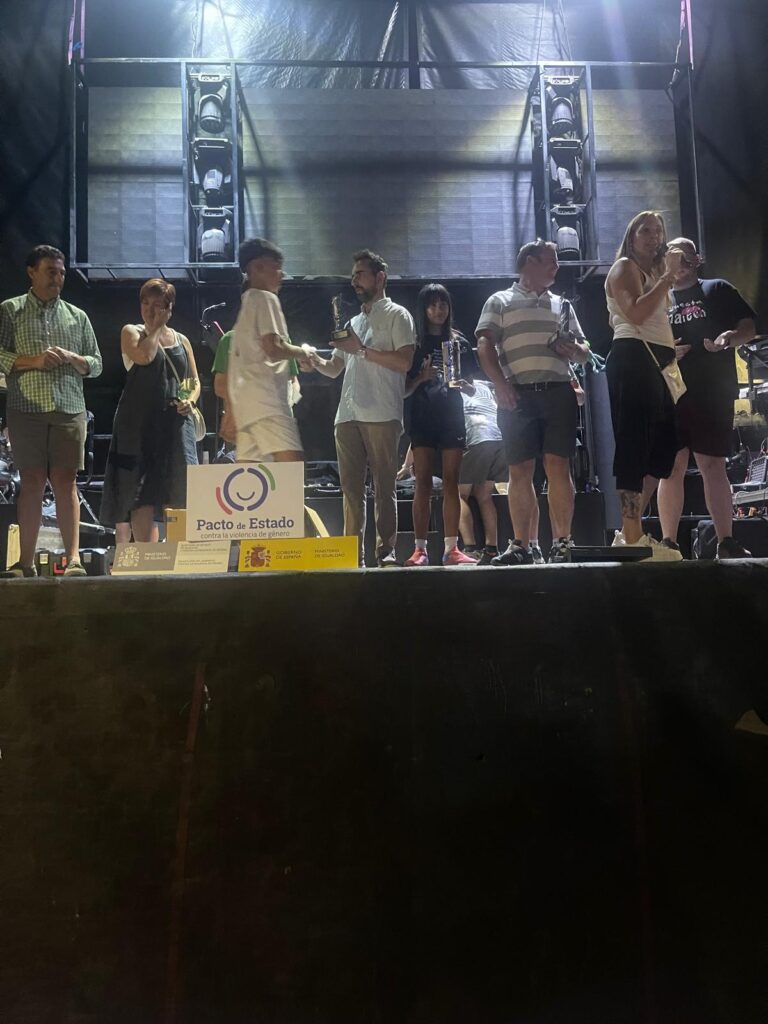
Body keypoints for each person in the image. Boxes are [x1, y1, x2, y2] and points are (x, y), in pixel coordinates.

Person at [475, 239, 590, 565]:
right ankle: (522, 545)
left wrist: (574, 350)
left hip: (558, 391)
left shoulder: (562, 304)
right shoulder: (499, 301)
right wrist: (500, 385)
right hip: (517, 394)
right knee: (519, 470)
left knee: (558, 466)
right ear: (530, 262)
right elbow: (484, 344)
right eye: (551, 260)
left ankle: (562, 542)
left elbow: (585, 352)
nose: (557, 267)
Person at [0, 244, 102, 577]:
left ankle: (73, 560)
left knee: (65, 481)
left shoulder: (77, 316)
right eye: (50, 272)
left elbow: (97, 363)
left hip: (68, 408)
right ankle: (25, 562)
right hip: (25, 408)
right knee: (31, 481)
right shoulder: (10, 310)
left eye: (61, 273)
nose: (57, 278)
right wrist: (35, 361)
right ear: (31, 272)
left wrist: (73, 358)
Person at [309, 249, 415, 567]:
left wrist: (363, 350)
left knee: (384, 487)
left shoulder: (399, 315)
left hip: (382, 413)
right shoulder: (352, 321)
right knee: (350, 491)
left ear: (380, 278)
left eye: (360, 274)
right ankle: (352, 554)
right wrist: (313, 361)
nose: (354, 280)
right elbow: (334, 368)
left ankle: (386, 551)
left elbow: (404, 362)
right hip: (347, 415)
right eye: (353, 275)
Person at [657, 237, 756, 559]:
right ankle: (668, 543)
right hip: (672, 391)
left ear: (697, 259)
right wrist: (665, 353)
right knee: (672, 466)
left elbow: (748, 328)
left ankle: (726, 541)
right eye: (675, 257)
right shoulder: (658, 297)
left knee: (713, 464)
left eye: (687, 257)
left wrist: (730, 338)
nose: (681, 263)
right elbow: (640, 342)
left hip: (713, 390)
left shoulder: (718, 288)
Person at [604, 211, 686, 560]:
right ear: (631, 236)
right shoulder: (624, 267)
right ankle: (632, 536)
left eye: (659, 231)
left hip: (660, 364)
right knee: (634, 446)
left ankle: (631, 529)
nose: (654, 237)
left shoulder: (652, 274)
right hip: (633, 359)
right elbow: (635, 313)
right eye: (646, 230)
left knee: (664, 449)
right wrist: (668, 277)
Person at [100, 279, 200, 541]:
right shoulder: (132, 332)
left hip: (175, 424)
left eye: (157, 304)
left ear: (169, 308)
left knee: (178, 486)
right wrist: (154, 329)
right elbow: (144, 357)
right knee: (140, 491)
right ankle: (146, 556)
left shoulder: (182, 340)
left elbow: (192, 380)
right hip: (139, 425)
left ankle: (179, 553)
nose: (149, 309)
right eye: (145, 303)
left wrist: (189, 400)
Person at [402, 284, 478, 566]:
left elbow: (472, 387)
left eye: (443, 304)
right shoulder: (413, 344)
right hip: (421, 416)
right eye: (432, 305)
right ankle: (419, 550)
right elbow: (403, 389)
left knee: (451, 481)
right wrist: (421, 378)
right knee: (422, 481)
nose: (438, 310)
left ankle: (451, 549)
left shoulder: (459, 342)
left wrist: (464, 386)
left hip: (451, 416)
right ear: (423, 309)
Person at [228, 237, 314, 463]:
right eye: (276, 268)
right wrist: (303, 353)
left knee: (250, 478)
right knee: (292, 470)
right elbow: (273, 347)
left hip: (247, 409)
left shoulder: (246, 306)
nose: (281, 274)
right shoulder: (266, 298)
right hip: (269, 404)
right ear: (257, 268)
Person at [213, 276, 302, 448]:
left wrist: (289, 400)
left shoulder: (283, 340)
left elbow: (294, 382)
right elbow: (220, 386)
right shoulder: (229, 340)